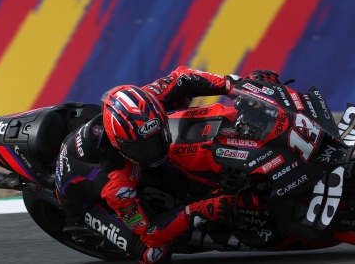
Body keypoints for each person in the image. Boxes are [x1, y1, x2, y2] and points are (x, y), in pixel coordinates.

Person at [55, 66, 280, 263]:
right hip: (79, 201)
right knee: (153, 254)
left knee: (182, 109)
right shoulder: (116, 183)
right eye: (143, 148)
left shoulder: (149, 100)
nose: (154, 150)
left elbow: (184, 77)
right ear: (120, 145)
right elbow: (151, 232)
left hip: (116, 153)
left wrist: (239, 85)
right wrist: (201, 210)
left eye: (156, 137)